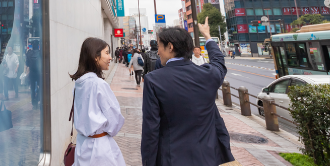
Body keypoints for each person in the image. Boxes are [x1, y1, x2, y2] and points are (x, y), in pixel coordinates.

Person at [141, 17, 234, 166]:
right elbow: (219, 62)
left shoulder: (153, 80)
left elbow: (150, 131)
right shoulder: (208, 74)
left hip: (172, 157)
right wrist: (208, 36)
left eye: (159, 46)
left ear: (170, 47)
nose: (158, 52)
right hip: (208, 156)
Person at [70, 38, 126, 166]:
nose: (110, 57)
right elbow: (115, 117)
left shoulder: (79, 83)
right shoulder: (98, 84)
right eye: (106, 53)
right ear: (96, 57)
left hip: (82, 145)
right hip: (100, 148)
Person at [26, 40, 41, 109]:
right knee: (40, 87)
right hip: (39, 73)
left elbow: (27, 64)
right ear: (38, 45)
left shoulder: (28, 53)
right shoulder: (41, 53)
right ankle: (38, 98)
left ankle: (33, 102)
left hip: (32, 73)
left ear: (32, 45)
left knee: (32, 88)